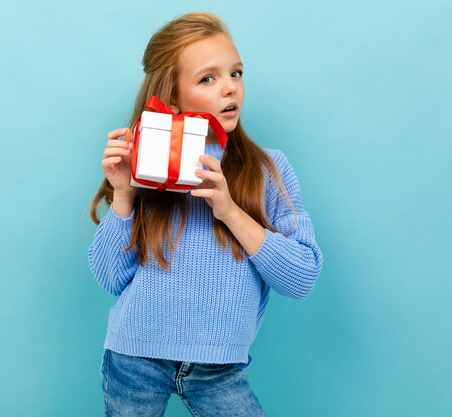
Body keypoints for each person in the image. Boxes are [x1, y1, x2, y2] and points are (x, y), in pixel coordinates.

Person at [88, 11, 323, 417]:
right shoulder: (147, 164)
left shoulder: (268, 169)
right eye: (208, 78)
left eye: (236, 73)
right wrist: (124, 195)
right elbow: (111, 278)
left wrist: (230, 211)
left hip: (219, 368)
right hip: (134, 356)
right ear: (172, 95)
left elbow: (302, 277)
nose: (230, 88)